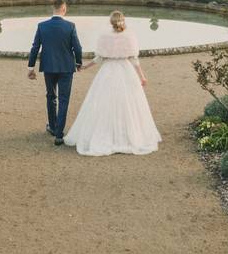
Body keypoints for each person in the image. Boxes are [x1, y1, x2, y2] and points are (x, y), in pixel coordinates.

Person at [64, 11, 161, 156]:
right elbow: (134, 59)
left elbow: (100, 58)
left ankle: (103, 134)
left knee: (102, 102)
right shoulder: (130, 36)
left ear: (111, 22)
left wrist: (86, 66)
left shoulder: (105, 36)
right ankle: (128, 135)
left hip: (108, 71)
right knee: (129, 103)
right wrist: (142, 76)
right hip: (126, 70)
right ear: (123, 21)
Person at [27, 0, 83, 146]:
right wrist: (78, 62)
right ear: (64, 9)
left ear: (53, 9)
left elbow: (35, 48)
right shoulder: (70, 26)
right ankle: (59, 134)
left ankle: (52, 127)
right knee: (64, 99)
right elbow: (78, 48)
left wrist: (30, 67)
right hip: (66, 68)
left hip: (49, 67)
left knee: (51, 96)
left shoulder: (42, 26)